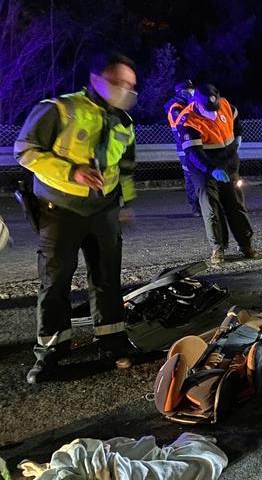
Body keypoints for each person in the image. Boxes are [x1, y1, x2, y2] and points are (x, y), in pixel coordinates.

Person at [14, 52, 138, 384]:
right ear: (97, 80)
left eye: (131, 85)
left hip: (104, 211)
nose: (127, 90)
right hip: (60, 211)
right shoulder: (58, 109)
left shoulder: (124, 121)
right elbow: (25, 150)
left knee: (107, 278)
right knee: (55, 283)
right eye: (120, 83)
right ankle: (52, 352)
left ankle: (112, 339)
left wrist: (124, 204)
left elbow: (125, 167)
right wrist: (73, 172)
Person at [177, 83, 256, 264]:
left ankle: (246, 245)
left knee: (235, 204)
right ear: (197, 104)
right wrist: (211, 170)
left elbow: (236, 122)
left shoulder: (225, 105)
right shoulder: (187, 120)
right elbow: (194, 154)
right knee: (211, 208)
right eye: (208, 110)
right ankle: (218, 249)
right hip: (203, 167)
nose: (213, 114)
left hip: (228, 162)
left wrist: (237, 139)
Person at [164, 79, 199, 216]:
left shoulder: (190, 104)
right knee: (190, 175)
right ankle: (195, 205)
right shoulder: (175, 108)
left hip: (196, 144)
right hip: (184, 147)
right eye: (188, 90)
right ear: (180, 92)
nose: (191, 92)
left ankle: (203, 204)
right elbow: (183, 125)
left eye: (192, 89)